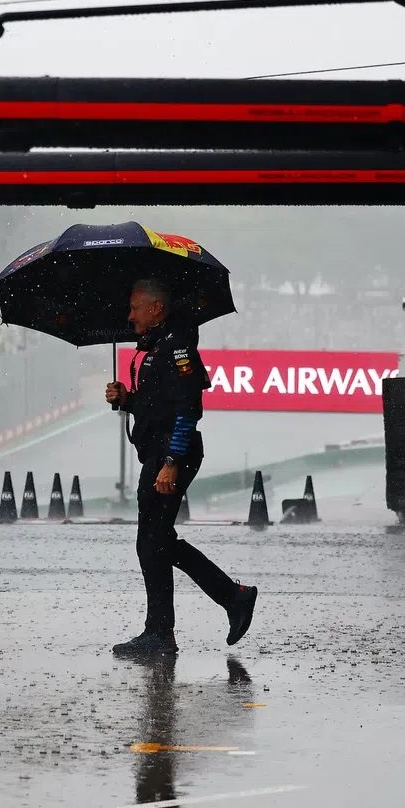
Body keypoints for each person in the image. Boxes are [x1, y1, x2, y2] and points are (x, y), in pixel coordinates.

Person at [105, 277, 257, 657]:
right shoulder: (155, 345)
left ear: (157, 308)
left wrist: (171, 462)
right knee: (155, 542)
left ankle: (165, 631)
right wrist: (128, 399)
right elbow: (157, 406)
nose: (130, 315)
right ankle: (226, 600)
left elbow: (188, 410)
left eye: (136, 307)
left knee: (152, 542)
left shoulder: (178, 347)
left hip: (173, 454)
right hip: (158, 452)